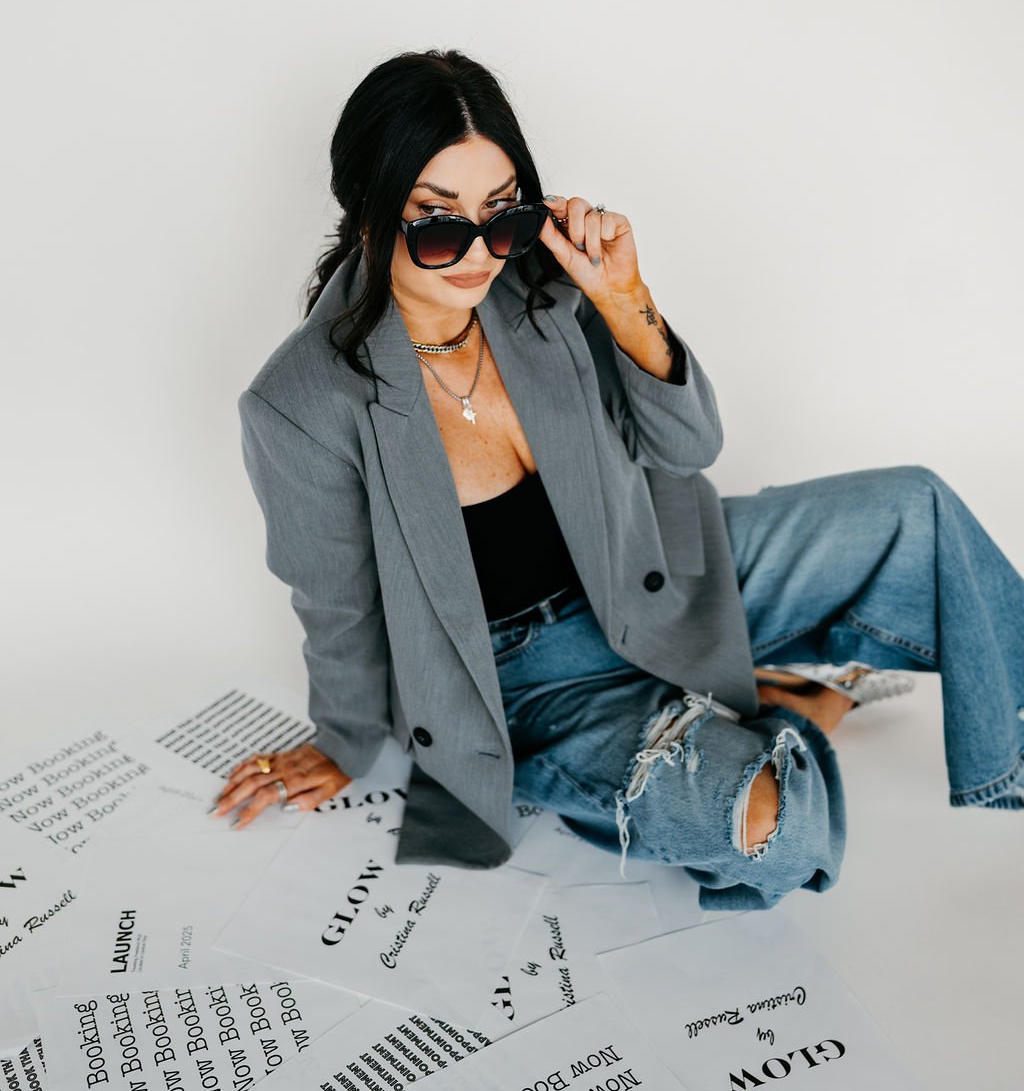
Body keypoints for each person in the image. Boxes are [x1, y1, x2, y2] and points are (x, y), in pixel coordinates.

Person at [213, 49, 1024, 911]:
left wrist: (622, 298)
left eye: (503, 216)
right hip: (532, 679)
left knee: (916, 508)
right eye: (439, 223)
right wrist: (342, 741)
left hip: (659, 565)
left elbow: (690, 446)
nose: (479, 254)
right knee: (769, 828)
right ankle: (799, 705)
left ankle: (1002, 756)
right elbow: (338, 605)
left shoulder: (543, 287)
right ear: (369, 216)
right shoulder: (299, 405)